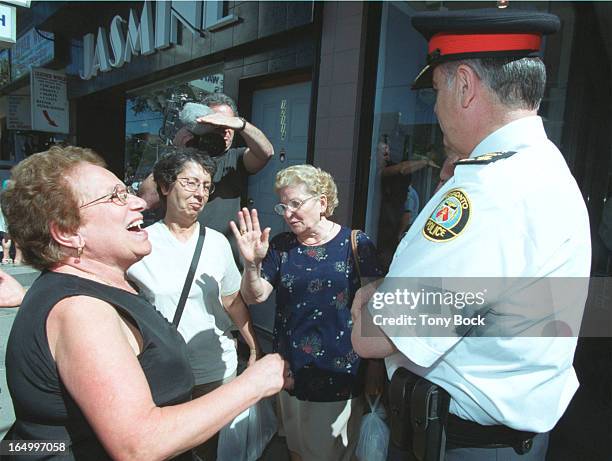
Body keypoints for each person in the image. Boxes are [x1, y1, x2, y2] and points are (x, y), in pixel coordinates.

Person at [351, 8, 591, 461]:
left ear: (465, 86)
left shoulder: (491, 193)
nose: (436, 106)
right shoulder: (542, 167)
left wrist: (371, 291)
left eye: (438, 89)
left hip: (463, 445)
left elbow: (371, 334)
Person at [0, 146, 290, 460]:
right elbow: (140, 445)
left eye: (128, 193)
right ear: (67, 232)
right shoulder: (80, 310)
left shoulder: (85, 292)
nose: (139, 202)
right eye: (116, 197)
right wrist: (256, 383)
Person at [232, 165, 383, 461]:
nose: (288, 213)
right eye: (283, 206)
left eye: (296, 204)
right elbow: (256, 295)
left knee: (330, 453)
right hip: (290, 370)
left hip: (339, 374)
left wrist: (376, 367)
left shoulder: (356, 244)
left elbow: (376, 309)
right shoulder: (281, 245)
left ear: (323, 203)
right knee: (297, 450)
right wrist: (251, 265)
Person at [127, 147, 261, 461]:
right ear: (164, 186)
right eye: (190, 183)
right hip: (159, 374)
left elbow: (232, 301)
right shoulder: (141, 244)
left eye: (205, 185)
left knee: (208, 452)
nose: (200, 193)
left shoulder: (217, 243)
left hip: (214, 370)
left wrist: (254, 347)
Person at [174, 92, 274, 266]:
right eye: (217, 125)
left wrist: (241, 125)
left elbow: (266, 152)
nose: (226, 131)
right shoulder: (182, 157)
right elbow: (148, 195)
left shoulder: (236, 158)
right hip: (183, 254)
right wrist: (178, 153)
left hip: (226, 258)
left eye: (229, 126)